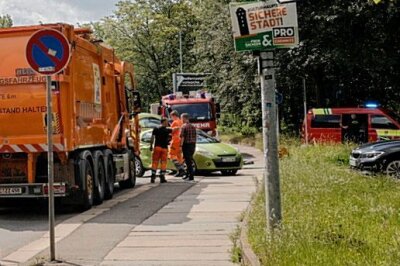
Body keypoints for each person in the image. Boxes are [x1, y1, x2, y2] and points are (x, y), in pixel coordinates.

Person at [150, 118, 172, 183]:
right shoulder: (167, 130)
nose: (167, 123)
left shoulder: (156, 129)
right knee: (163, 163)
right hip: (164, 148)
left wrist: (151, 145)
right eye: (166, 122)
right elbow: (170, 137)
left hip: (157, 147)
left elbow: (152, 138)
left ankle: (153, 176)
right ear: (163, 122)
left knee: (155, 162)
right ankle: (162, 177)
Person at [180, 113, 197, 181]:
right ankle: (187, 175)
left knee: (188, 161)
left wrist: (180, 145)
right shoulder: (193, 126)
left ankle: (191, 176)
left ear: (184, 118)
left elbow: (182, 137)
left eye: (181, 118)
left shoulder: (184, 126)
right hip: (192, 145)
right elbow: (195, 136)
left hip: (186, 145)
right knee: (189, 160)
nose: (181, 120)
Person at [169, 110, 185, 177]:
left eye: (171, 117)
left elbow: (170, 131)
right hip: (180, 141)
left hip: (175, 141)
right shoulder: (181, 122)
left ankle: (180, 170)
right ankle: (182, 171)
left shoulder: (174, 122)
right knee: (179, 157)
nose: (171, 118)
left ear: (174, 116)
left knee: (172, 155)